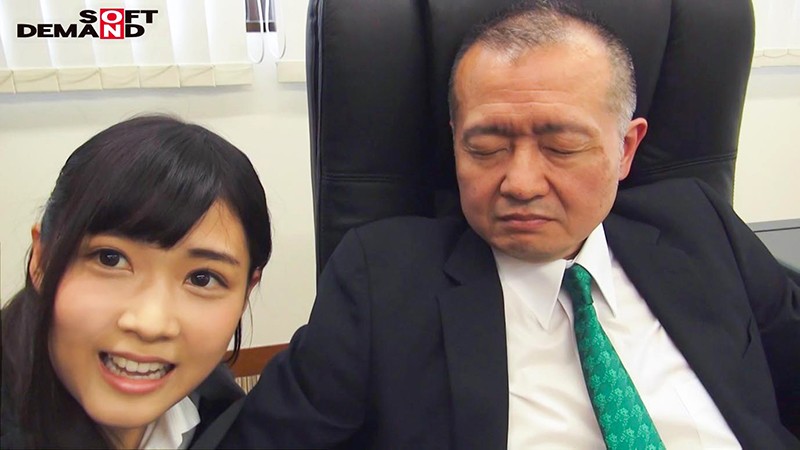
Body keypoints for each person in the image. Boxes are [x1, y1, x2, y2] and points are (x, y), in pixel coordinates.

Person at [220, 1, 800, 449]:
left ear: (626, 149)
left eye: (561, 146)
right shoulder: (383, 278)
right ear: (455, 143)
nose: (520, 183)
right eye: (486, 147)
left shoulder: (699, 225)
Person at [0, 115, 272, 449]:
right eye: (109, 259)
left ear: (246, 292)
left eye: (202, 279)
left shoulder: (223, 415)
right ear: (41, 260)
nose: (150, 323)